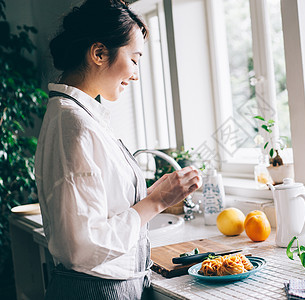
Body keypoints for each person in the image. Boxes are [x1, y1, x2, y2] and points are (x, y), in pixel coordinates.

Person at [34, 0, 201, 299]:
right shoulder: (73, 123)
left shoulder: (80, 116)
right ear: (98, 53)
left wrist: (150, 195)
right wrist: (157, 202)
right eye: (135, 59)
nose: (136, 74)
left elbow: (101, 206)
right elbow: (81, 247)